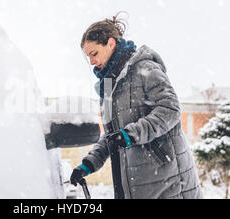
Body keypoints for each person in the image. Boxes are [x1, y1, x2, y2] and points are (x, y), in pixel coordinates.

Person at [70, 12, 203, 199]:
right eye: (88, 57)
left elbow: (170, 109)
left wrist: (130, 135)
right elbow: (113, 136)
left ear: (110, 44)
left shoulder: (145, 68)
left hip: (169, 182)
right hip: (136, 186)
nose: (91, 62)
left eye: (94, 53)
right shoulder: (107, 86)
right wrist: (88, 164)